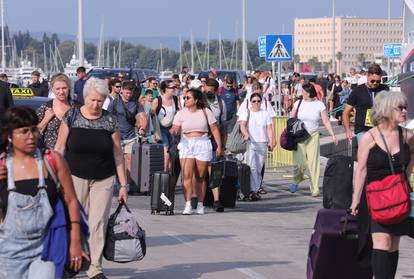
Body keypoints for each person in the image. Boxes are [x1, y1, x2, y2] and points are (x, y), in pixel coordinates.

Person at [55, 77, 128, 279]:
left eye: (100, 101)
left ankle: (95, 268)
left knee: (98, 223)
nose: (96, 104)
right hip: (74, 176)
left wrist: (123, 185)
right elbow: (59, 149)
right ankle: (70, 263)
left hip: (103, 177)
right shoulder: (72, 116)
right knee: (75, 220)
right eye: (93, 100)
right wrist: (56, 176)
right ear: (85, 97)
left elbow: (118, 154)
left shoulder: (109, 120)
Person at [0, 107, 84, 278]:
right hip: (9, 252)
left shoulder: (52, 160)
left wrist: (75, 241)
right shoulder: (2, 165)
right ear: (10, 136)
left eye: (33, 130)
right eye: (24, 132)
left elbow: (72, 200)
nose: (31, 136)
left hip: (46, 248)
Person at [351, 91, 414, 279]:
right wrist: (355, 200)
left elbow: (411, 159)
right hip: (375, 197)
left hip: (397, 197)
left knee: (393, 244)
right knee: (381, 242)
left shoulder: (407, 136)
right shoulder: (370, 137)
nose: (404, 111)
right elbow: (361, 170)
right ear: (387, 110)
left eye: (405, 107)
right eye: (400, 108)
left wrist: (406, 179)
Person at [170, 89, 223, 215]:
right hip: (186, 143)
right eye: (184, 98)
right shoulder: (180, 113)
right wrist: (174, 130)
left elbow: (214, 129)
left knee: (200, 177)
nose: (185, 100)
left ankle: (200, 203)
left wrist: (219, 147)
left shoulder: (205, 112)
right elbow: (175, 128)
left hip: (202, 142)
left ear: (196, 100)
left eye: (188, 98)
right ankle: (188, 203)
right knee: (186, 176)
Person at [290, 83, 337, 197]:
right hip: (300, 136)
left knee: (313, 163)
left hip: (313, 136)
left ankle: (315, 188)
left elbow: (325, 121)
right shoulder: (298, 103)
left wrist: (333, 134)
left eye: (304, 91)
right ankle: (297, 178)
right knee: (299, 163)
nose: (302, 93)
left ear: (309, 92)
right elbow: (291, 117)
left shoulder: (319, 105)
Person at [107, 81, 147, 187]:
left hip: (130, 136)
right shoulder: (114, 103)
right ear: (122, 91)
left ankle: (127, 184)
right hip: (117, 137)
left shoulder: (135, 103)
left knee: (129, 160)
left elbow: (143, 116)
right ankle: (118, 180)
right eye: (126, 93)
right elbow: (107, 117)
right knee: (118, 161)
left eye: (130, 93)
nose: (128, 95)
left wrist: (142, 128)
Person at [239, 93, 274, 201]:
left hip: (262, 142)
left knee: (258, 168)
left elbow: (269, 128)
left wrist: (271, 141)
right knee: (251, 167)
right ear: (250, 102)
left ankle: (255, 189)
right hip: (250, 143)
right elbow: (242, 125)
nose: (256, 103)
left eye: (258, 101)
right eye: (254, 101)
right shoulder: (246, 112)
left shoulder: (265, 113)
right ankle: (252, 190)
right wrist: (246, 134)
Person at [343, 64, 389, 144]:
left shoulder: (385, 89)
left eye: (378, 81)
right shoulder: (357, 91)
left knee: (380, 155)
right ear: (367, 75)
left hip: (381, 129)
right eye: (372, 81)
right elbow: (346, 113)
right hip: (363, 130)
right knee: (365, 155)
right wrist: (348, 130)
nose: (375, 83)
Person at [202, 78, 226, 212]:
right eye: (207, 89)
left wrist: (222, 146)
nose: (208, 92)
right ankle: (198, 199)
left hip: (213, 140)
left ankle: (217, 200)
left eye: (211, 91)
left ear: (216, 90)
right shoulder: (199, 101)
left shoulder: (221, 103)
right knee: (199, 172)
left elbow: (223, 127)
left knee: (214, 171)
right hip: (200, 138)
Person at [37, 73, 72, 149]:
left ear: (69, 88)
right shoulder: (45, 108)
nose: (61, 92)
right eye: (58, 89)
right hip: (50, 156)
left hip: (72, 156)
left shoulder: (76, 108)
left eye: (64, 88)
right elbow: (33, 134)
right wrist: (45, 119)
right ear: (52, 89)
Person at [151, 80, 180, 171]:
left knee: (172, 153)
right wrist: (154, 133)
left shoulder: (175, 99)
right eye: (172, 87)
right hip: (161, 129)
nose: (174, 89)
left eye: (174, 87)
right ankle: (164, 173)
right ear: (166, 89)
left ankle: (170, 173)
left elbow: (180, 113)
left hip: (172, 128)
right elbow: (151, 116)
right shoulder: (158, 100)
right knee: (166, 150)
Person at [218, 76, 240, 143]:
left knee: (230, 133)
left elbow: (237, 103)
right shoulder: (220, 90)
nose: (229, 88)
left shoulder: (235, 90)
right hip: (222, 115)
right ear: (224, 83)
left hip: (232, 114)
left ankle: (228, 147)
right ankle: (224, 147)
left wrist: (239, 114)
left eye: (231, 86)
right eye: (228, 86)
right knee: (223, 133)